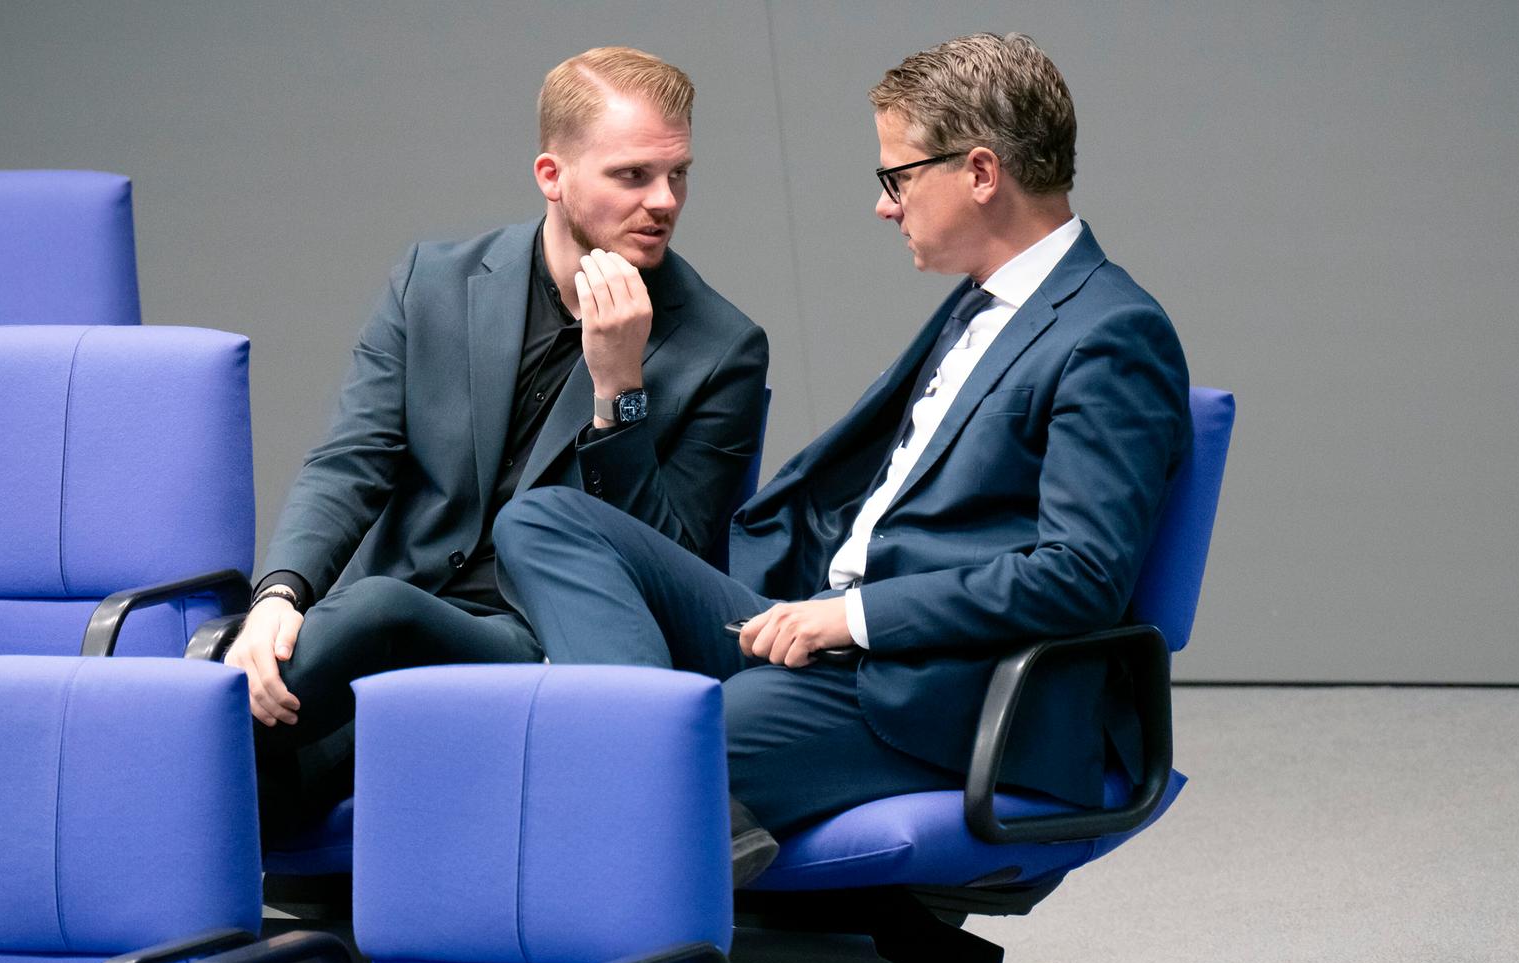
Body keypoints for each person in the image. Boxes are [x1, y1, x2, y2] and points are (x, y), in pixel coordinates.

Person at [493, 32, 1191, 885]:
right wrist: (818, 612)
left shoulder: (1111, 333)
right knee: (540, 517)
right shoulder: (982, 306)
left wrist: (853, 620)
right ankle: (668, 759)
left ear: (979, 173)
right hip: (825, 632)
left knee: (606, 769)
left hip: (928, 687)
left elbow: (1079, 575)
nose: (886, 205)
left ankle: (660, 776)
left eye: (897, 177)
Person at [229, 46, 769, 843]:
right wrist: (276, 597)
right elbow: (351, 461)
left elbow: (670, 562)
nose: (664, 202)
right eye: (632, 176)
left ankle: (149, 753)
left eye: (678, 174)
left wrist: (620, 391)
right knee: (263, 769)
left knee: (371, 613)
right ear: (552, 174)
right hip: (381, 647)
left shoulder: (719, 347)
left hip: (537, 644)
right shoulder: (435, 283)